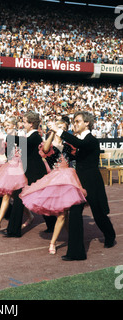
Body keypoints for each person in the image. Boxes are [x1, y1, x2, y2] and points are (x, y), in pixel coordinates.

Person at [48, 111, 116, 261]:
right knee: (74, 213)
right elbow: (72, 154)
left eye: (78, 121)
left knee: (99, 214)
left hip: (92, 182)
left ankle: (110, 235)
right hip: (78, 182)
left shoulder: (90, 140)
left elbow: (80, 144)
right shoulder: (78, 141)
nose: (75, 123)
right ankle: (76, 252)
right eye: (74, 121)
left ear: (87, 123)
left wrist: (58, 130)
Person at [20, 120, 87, 254]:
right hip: (55, 180)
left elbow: (78, 148)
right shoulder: (49, 145)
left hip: (70, 181)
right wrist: (52, 133)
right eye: (58, 127)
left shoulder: (69, 145)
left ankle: (71, 238)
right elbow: (45, 149)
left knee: (65, 214)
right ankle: (53, 242)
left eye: (63, 128)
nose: (59, 129)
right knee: (62, 214)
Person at [4, 111, 56, 237]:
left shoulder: (35, 136)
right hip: (30, 171)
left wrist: (10, 137)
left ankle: (14, 230)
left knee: (39, 198)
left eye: (25, 121)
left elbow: (24, 143)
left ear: (31, 124)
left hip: (35, 172)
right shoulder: (31, 135)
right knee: (22, 198)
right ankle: (14, 230)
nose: (23, 123)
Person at [0, 117, 28, 235]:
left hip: (18, 168)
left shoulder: (20, 136)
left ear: (14, 125)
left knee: (10, 196)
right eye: (5, 124)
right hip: (9, 167)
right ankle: (30, 216)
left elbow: (24, 152)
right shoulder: (5, 136)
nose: (6, 126)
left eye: (8, 124)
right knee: (10, 195)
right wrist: (0, 139)